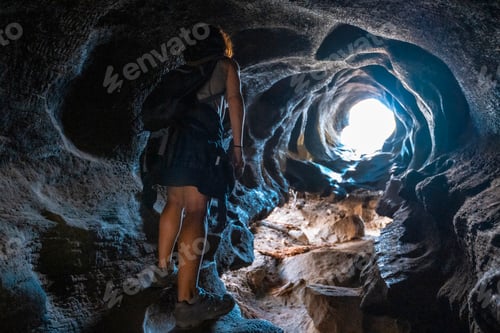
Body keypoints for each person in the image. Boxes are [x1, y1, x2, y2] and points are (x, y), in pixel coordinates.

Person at [155, 25, 245, 329]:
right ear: (221, 45)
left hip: (174, 144)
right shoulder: (226, 65)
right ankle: (187, 300)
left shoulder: (183, 70)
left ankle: (162, 268)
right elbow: (235, 102)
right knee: (196, 210)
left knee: (173, 203)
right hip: (201, 144)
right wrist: (237, 147)